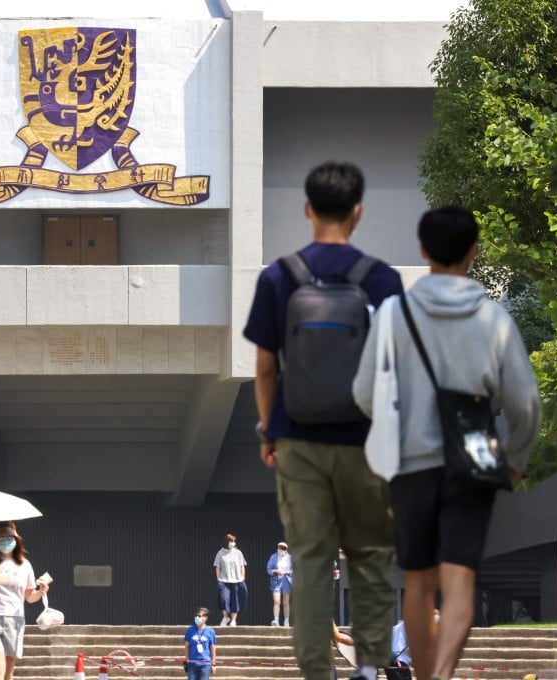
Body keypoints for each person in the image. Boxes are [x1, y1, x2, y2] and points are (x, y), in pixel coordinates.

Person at [352, 206, 541, 680]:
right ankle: (440, 677)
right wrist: (515, 458)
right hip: (472, 462)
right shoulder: (493, 318)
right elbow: (525, 404)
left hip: (410, 465)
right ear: (474, 252)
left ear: (422, 250)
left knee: (418, 581)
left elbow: (361, 392)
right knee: (460, 579)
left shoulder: (394, 313)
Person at [244, 161, 402, 680]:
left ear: (307, 209)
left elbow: (266, 370)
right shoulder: (382, 279)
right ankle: (370, 668)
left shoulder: (278, 277)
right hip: (364, 440)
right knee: (371, 555)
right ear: (358, 212)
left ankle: (318, 672)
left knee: (311, 561)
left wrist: (270, 431)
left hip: (299, 439)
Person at [0, 522, 49, 680]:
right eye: (0, 538)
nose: (5, 541)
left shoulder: (24, 564)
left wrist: (41, 591)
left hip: (14, 621)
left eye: (9, 537)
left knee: (8, 675)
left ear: (17, 539)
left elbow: (29, 596)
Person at [212, 534, 247, 626]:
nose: (233, 543)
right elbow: (217, 567)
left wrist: (242, 577)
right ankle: (225, 617)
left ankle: (233, 620)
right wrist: (218, 579)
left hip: (237, 580)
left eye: (234, 541)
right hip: (224, 580)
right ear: (226, 542)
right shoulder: (220, 553)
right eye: (231, 541)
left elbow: (242, 565)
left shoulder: (238, 553)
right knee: (224, 599)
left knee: (235, 600)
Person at [183, 607, 217, 680]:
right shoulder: (190, 630)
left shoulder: (210, 631)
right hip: (192, 663)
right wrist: (187, 659)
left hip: (205, 664)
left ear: (205, 618)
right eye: (196, 616)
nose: (197, 618)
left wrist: (213, 664)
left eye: (199, 616)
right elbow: (186, 646)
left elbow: (212, 648)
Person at [266, 541, 293, 626]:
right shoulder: (273, 557)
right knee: (276, 601)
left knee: (286, 602)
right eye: (280, 547)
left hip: (286, 580)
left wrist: (287, 572)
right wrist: (276, 571)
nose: (281, 549)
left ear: (286, 550)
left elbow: (295, 570)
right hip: (276, 580)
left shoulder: (290, 558)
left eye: (283, 548)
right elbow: (269, 569)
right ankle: (276, 620)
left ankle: (286, 621)